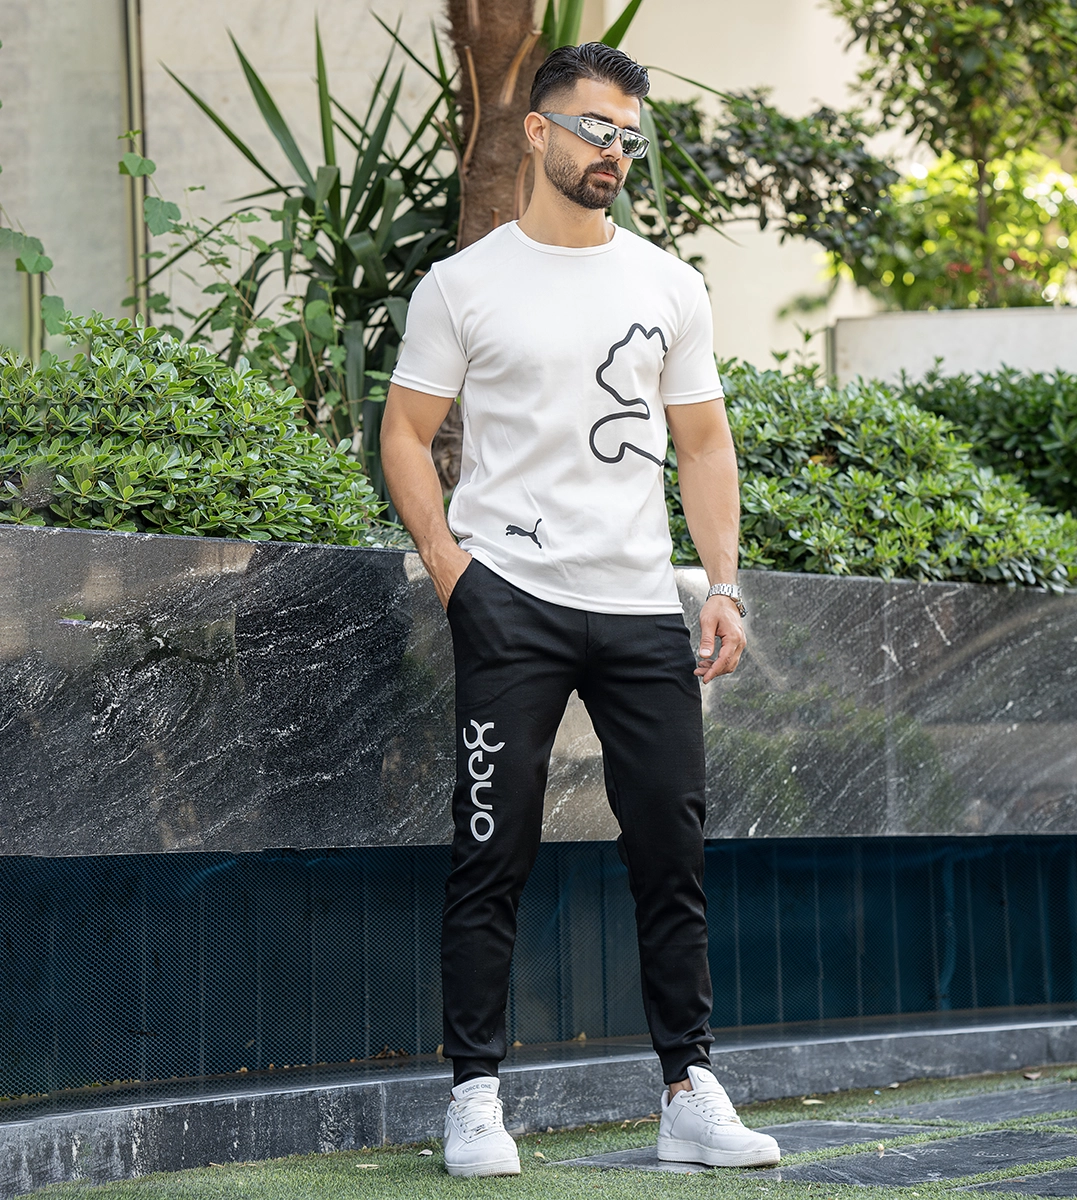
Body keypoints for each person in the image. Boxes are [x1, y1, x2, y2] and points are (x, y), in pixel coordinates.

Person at [379, 41, 780, 1179]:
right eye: (597, 129)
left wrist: (722, 583)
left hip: (642, 606)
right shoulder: (463, 284)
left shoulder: (668, 285)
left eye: (629, 137)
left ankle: (688, 1092)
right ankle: (474, 1097)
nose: (615, 152)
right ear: (538, 132)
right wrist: (453, 570)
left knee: (671, 852)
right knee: (491, 850)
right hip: (511, 600)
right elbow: (405, 432)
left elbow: (704, 444)